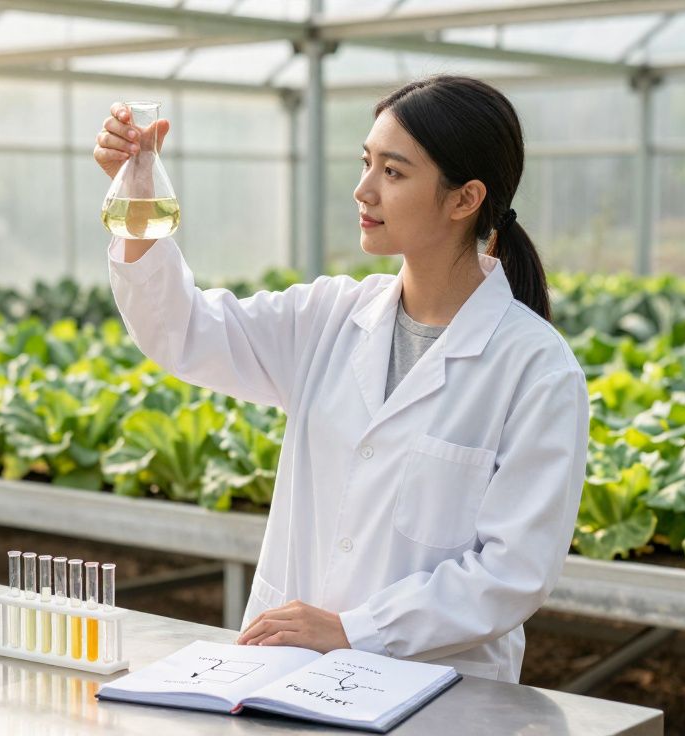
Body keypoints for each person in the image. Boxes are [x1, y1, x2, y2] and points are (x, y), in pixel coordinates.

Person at [91, 75, 589, 684]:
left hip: (438, 694)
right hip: (285, 677)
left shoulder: (536, 369)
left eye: (393, 172)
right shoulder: (327, 318)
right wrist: (137, 186)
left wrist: (357, 629)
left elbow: (513, 573)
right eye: (366, 163)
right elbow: (182, 329)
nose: (363, 189)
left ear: (464, 199)